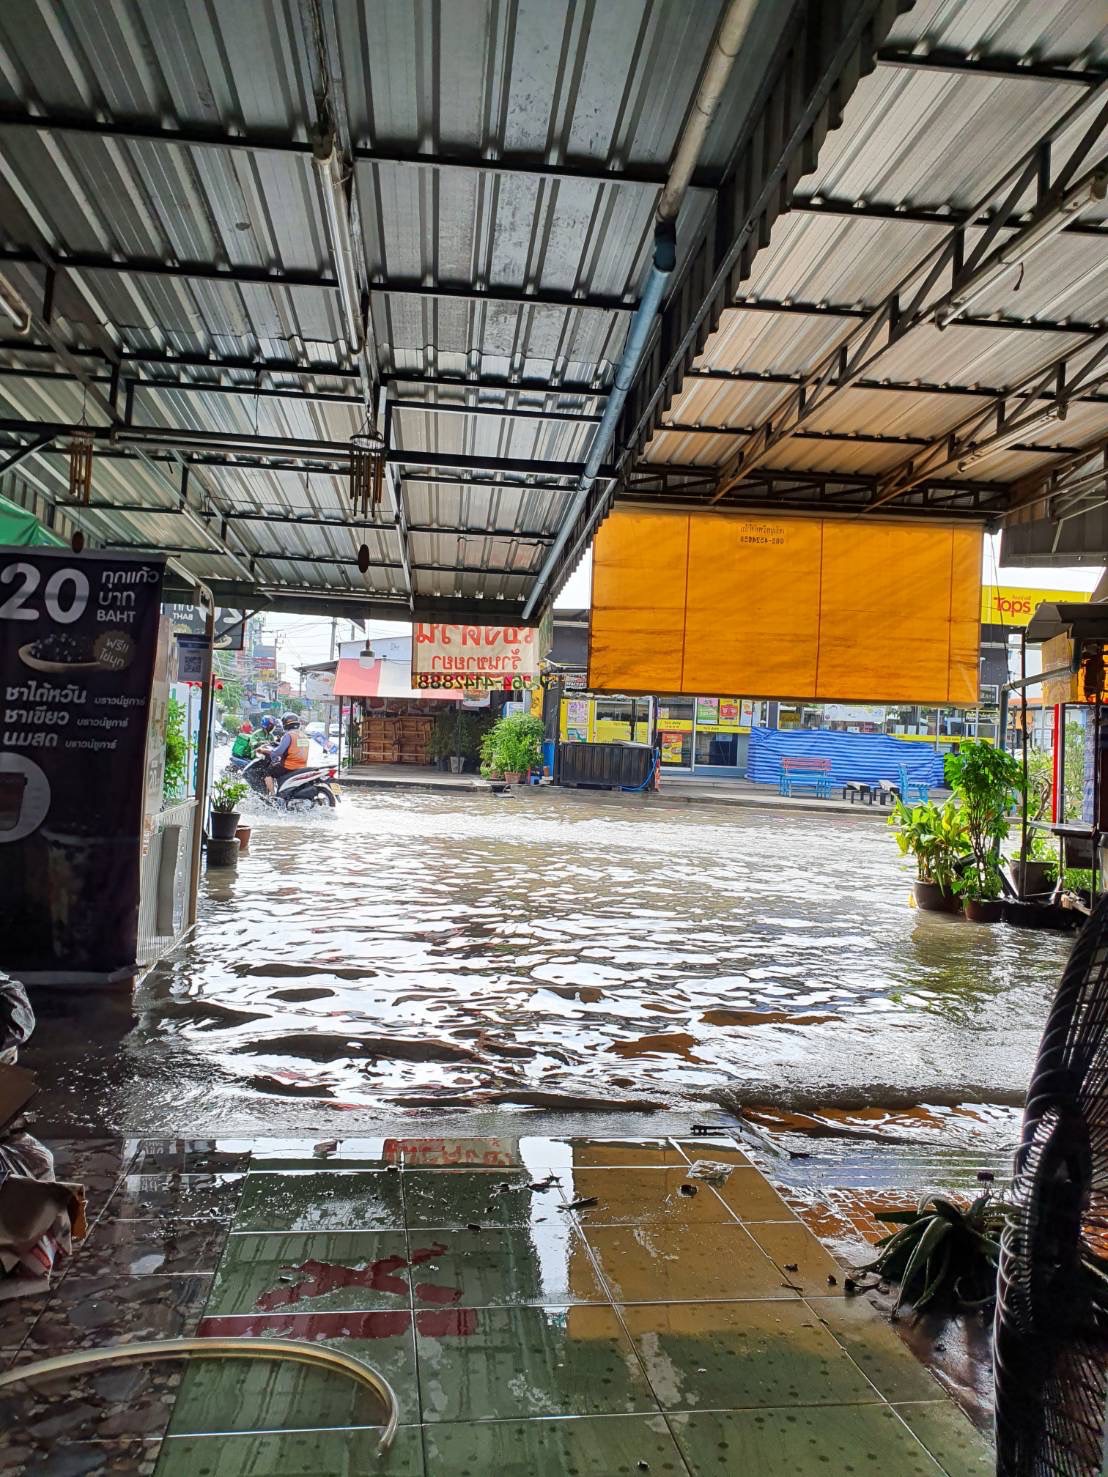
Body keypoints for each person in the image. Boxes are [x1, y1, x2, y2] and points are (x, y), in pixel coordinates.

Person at [266, 712, 309, 795]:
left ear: (286, 724)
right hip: (302, 766)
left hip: (289, 766)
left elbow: (279, 752)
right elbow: (295, 747)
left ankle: (272, 796)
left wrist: (269, 752)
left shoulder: (289, 735)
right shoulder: (304, 735)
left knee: (268, 772)